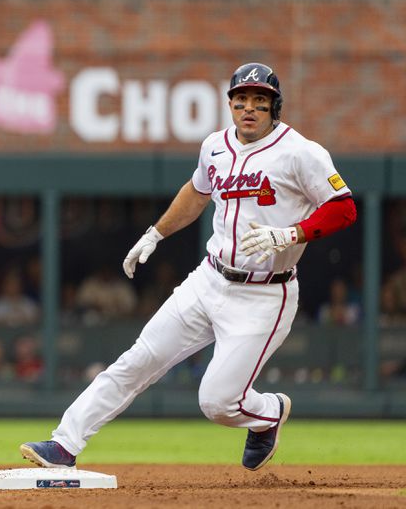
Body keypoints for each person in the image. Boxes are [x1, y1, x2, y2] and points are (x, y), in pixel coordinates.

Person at [20, 62, 357, 471]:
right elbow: (197, 193)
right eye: (241, 100)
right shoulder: (215, 145)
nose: (249, 108)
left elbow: (343, 208)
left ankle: (267, 413)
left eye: (259, 101)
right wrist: (155, 233)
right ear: (230, 105)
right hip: (210, 279)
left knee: (216, 403)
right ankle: (64, 444)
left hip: (266, 292)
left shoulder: (301, 152)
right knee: (137, 359)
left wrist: (290, 235)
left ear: (275, 107)